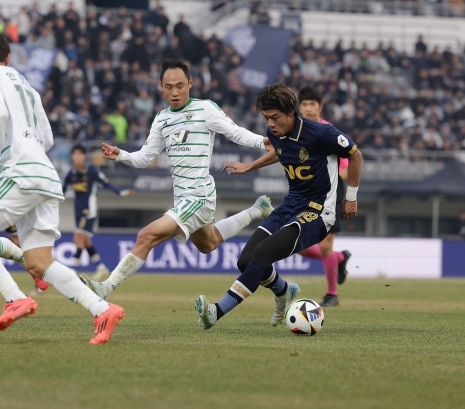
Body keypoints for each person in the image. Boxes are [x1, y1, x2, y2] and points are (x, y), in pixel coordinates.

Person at [0, 30, 125, 344]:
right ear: (8, 57)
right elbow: (47, 137)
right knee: (39, 262)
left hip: (18, 172)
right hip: (44, 172)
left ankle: (13, 297)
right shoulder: (25, 84)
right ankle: (102, 309)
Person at [80, 59, 273, 299]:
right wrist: (121, 155)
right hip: (183, 199)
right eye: (169, 86)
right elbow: (144, 158)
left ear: (190, 83)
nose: (175, 92)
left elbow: (234, 132)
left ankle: (106, 287)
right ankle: (256, 211)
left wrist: (263, 142)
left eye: (180, 85)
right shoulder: (162, 119)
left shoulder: (205, 109)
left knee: (145, 236)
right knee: (208, 244)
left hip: (198, 197)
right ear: (160, 86)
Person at [199, 83, 362, 329]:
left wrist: (351, 196)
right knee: (246, 261)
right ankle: (284, 290)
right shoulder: (276, 132)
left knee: (263, 253)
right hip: (290, 205)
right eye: (267, 118)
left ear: (291, 113)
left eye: (275, 118)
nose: (271, 124)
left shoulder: (321, 134)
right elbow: (280, 151)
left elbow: (355, 154)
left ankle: (216, 311)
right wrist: (249, 166)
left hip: (318, 211)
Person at [293, 87, 350, 306]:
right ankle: (341, 257)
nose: (308, 108)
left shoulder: (330, 132)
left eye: (312, 104)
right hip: (306, 195)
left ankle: (332, 294)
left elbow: (345, 167)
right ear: (299, 107)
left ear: (320, 107)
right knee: (300, 246)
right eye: (304, 104)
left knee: (325, 246)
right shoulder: (296, 133)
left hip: (331, 194)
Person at [61, 144, 134, 280]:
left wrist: (121, 192)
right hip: (77, 210)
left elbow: (106, 183)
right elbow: (62, 190)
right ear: (72, 157)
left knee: (78, 237)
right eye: (75, 155)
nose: (77, 157)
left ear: (84, 156)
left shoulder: (91, 172)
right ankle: (101, 267)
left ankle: (72, 269)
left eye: (80, 154)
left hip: (89, 210)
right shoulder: (72, 174)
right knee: (86, 241)